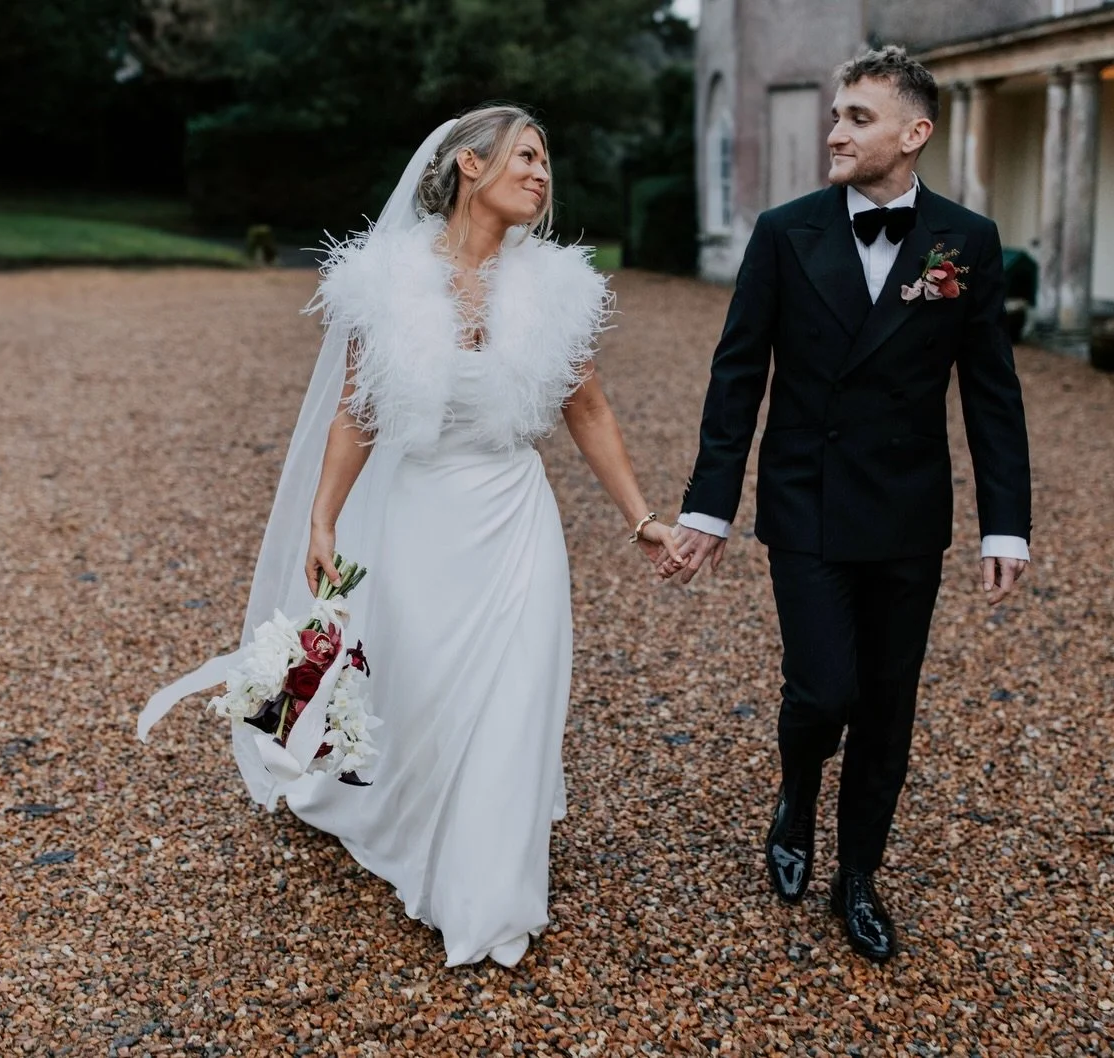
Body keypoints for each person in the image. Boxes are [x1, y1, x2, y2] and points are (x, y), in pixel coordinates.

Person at [146, 104, 682, 968]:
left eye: (548, 161)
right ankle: (400, 811)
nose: (543, 174)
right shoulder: (388, 279)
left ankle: (489, 891)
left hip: (514, 515)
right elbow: (357, 418)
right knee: (427, 692)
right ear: (469, 166)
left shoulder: (556, 286)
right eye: (527, 156)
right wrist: (321, 519)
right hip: (421, 517)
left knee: (514, 696)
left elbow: (589, 408)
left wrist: (642, 518)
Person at [663, 46, 1032, 962]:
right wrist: (709, 506)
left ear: (916, 133)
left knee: (888, 707)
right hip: (808, 500)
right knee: (826, 687)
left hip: (909, 511)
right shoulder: (785, 231)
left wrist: (1007, 520)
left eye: (858, 117)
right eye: (835, 113)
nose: (835, 129)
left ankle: (858, 875)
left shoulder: (965, 241)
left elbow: (990, 391)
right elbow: (737, 375)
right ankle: (796, 794)